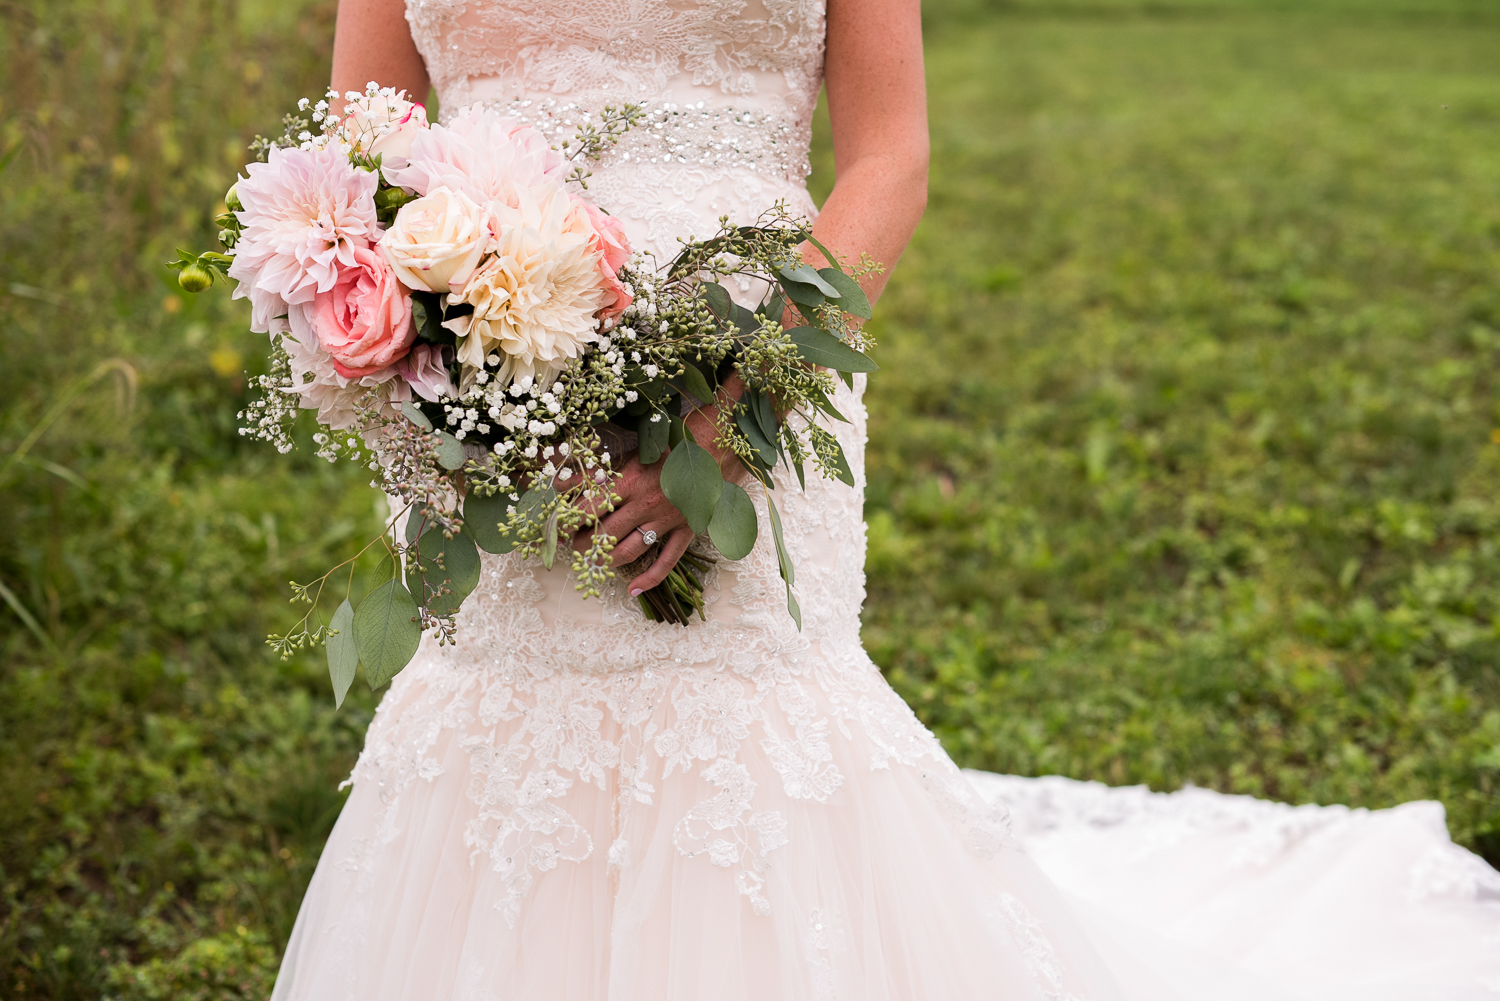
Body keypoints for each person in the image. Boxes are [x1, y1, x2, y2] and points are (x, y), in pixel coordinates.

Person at [272, 2, 1500, 998]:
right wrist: (456, 380)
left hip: (759, 347)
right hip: (485, 387)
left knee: (739, 712)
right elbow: (360, 157)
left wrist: (731, 418)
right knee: (508, 701)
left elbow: (889, 153)